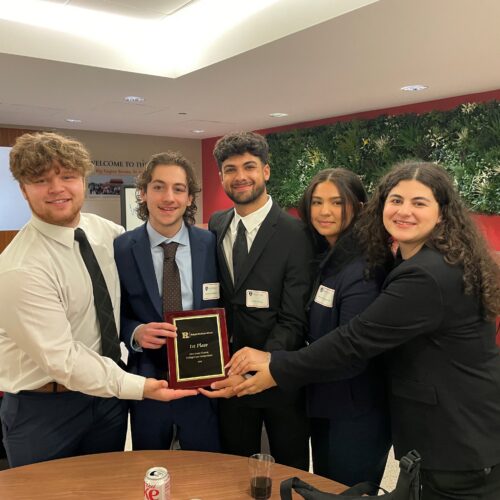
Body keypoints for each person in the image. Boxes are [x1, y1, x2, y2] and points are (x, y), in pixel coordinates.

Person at [229, 161, 500, 499]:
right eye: (396, 200)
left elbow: (354, 341)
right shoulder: (415, 259)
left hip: (458, 439)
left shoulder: (425, 274)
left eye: (419, 202)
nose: (404, 211)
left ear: (442, 213)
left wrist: (276, 367)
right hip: (439, 432)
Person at [0, 132, 196, 468]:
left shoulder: (109, 234)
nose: (57, 189)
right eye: (41, 180)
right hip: (44, 411)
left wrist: (138, 331)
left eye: (67, 176)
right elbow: (62, 359)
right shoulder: (20, 268)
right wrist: (139, 386)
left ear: (83, 181)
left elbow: (132, 301)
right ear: (23, 189)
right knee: (47, 492)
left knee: (108, 486)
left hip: (106, 402)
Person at [199, 131, 313, 470]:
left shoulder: (296, 234)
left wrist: (254, 370)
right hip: (228, 377)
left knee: (290, 469)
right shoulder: (217, 224)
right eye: (230, 169)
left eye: (249, 166)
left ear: (265, 171)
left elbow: (294, 318)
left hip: (278, 375)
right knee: (234, 467)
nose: (240, 176)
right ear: (221, 177)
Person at [114, 152, 221, 452]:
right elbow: (113, 312)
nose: (168, 197)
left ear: (189, 198)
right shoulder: (122, 248)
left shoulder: (210, 244)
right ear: (143, 192)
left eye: (178, 189)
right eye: (158, 187)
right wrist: (135, 332)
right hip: (148, 382)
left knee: (206, 466)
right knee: (151, 466)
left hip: (202, 382)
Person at [297, 168, 391, 487]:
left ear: (360, 207)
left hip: (356, 410)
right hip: (326, 399)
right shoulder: (327, 255)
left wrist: (281, 366)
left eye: (337, 202)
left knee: (347, 489)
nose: (325, 211)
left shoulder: (365, 267)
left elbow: (350, 352)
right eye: (317, 202)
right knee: (326, 484)